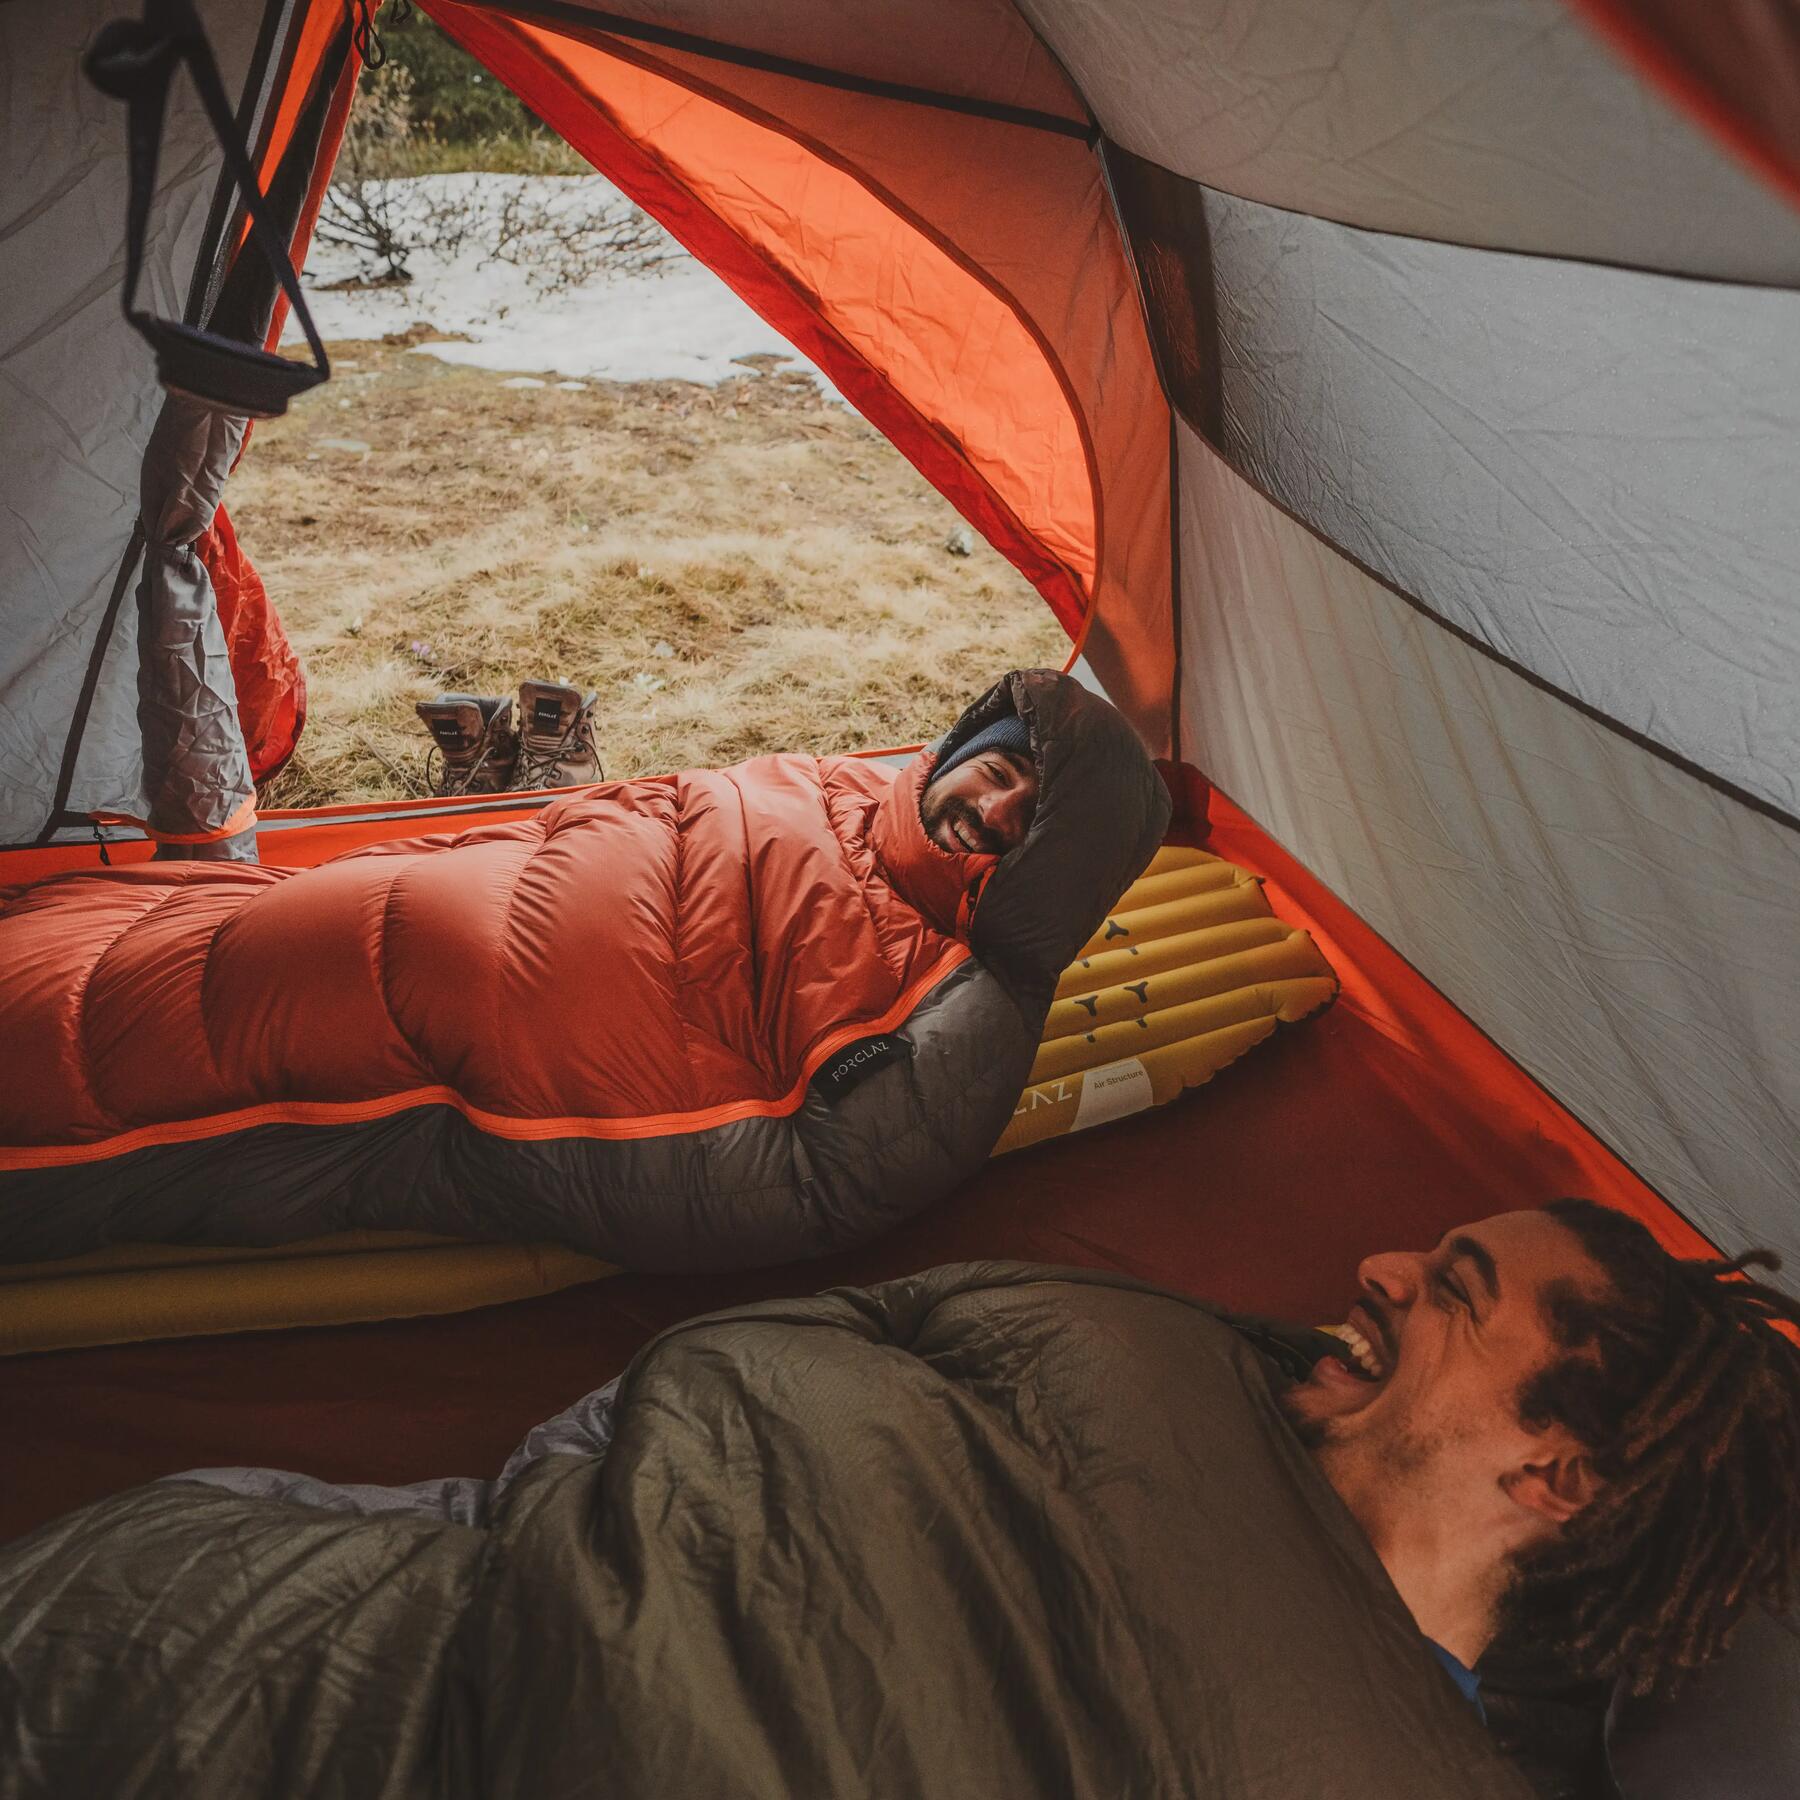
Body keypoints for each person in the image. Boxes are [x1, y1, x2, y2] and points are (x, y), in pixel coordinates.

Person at [2, 1200, 1794, 1796]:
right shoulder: (1157, 1366)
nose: (1387, 1260)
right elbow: (685, 1413)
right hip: (340, 1641)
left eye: (1458, 1288)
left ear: (1557, 1475)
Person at [0, 669, 1167, 1272]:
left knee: (155, 1025)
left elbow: (814, 1187)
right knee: (202, 933)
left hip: (467, 1005)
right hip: (504, 882)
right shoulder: (850, 787)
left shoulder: (969, 1003)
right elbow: (678, 811)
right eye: (1001, 772)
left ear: (1054, 876)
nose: (995, 810)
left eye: (1033, 824)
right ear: (964, 751)